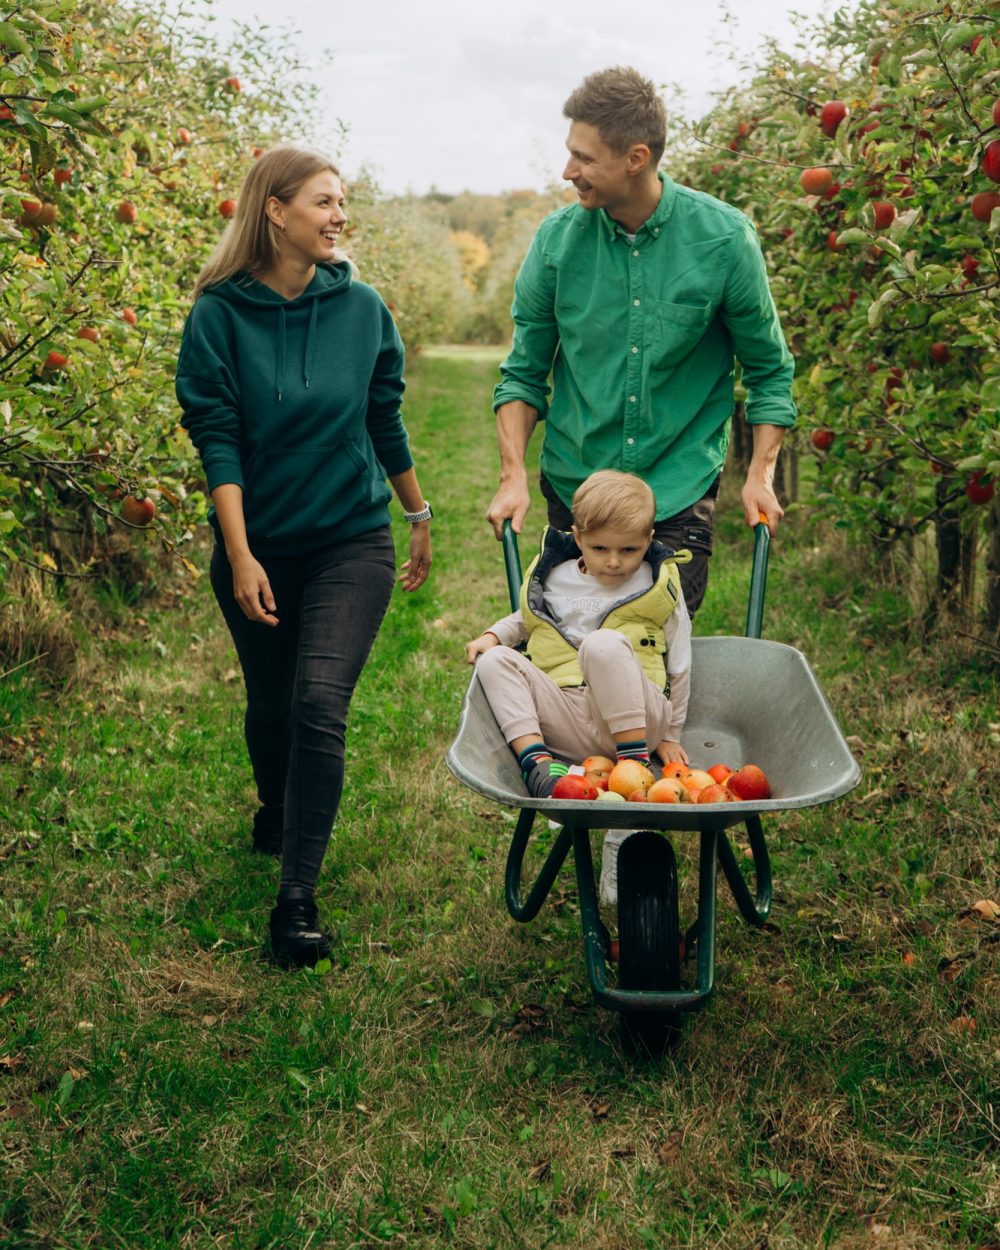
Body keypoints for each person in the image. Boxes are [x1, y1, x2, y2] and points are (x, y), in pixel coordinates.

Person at [176, 146, 433, 968]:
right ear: (276, 210)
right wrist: (240, 552)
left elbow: (383, 415)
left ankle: (295, 901)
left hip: (350, 538)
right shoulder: (218, 315)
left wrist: (416, 511)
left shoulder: (362, 309)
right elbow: (215, 437)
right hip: (260, 543)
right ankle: (275, 803)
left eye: (343, 203)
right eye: (324, 201)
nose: (338, 216)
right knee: (274, 706)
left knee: (320, 703)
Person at [486, 66, 797, 615]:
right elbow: (524, 373)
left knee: (654, 653)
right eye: (569, 153)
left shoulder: (723, 241)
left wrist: (761, 475)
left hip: (675, 487)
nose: (568, 171)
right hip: (578, 484)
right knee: (572, 653)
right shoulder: (557, 244)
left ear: (636, 158)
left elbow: (769, 371)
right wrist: (512, 477)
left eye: (584, 158)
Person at [466, 470, 691, 798]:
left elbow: (681, 662)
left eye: (629, 550)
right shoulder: (558, 577)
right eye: (599, 548)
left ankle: (634, 766)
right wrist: (493, 636)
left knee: (601, 644)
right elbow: (530, 619)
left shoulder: (655, 583)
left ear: (649, 538)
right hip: (569, 716)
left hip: (638, 717)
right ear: (578, 537)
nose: (614, 562)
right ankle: (540, 765)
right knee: (495, 661)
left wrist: (671, 734)